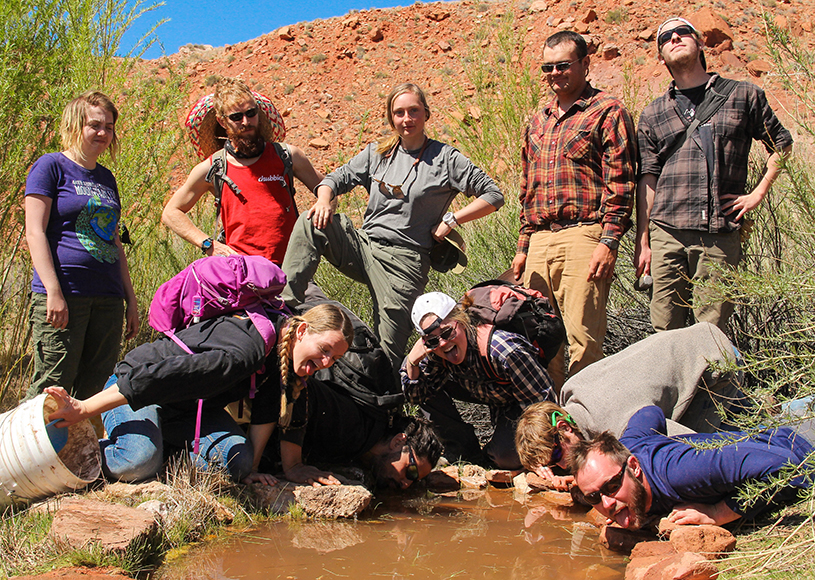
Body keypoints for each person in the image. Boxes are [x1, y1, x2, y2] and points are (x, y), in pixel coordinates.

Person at [281, 82, 504, 369]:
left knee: (388, 355)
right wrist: (324, 198)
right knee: (313, 221)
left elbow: (493, 195)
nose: (407, 118)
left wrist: (452, 219)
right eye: (399, 113)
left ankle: (384, 399)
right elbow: (336, 179)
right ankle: (284, 308)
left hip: (405, 262)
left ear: (426, 113)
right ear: (391, 118)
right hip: (364, 247)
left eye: (413, 111)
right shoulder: (378, 153)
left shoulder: (446, 159)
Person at [44, 303, 353, 485]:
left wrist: (253, 470)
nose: (325, 363)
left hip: (188, 412)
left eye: (334, 359)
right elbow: (158, 377)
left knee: (238, 464)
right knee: (136, 461)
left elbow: (267, 410)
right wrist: (84, 409)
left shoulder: (281, 355)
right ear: (301, 332)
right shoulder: (244, 352)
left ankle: (157, 449)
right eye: (324, 350)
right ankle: (77, 459)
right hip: (140, 385)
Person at [634, 17, 793, 332]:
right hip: (667, 231)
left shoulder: (743, 95)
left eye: (683, 33)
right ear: (660, 56)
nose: (675, 39)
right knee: (665, 332)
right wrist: (643, 240)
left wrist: (758, 193)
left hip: (719, 232)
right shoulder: (653, 112)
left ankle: (712, 384)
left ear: (700, 42)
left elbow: (782, 145)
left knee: (712, 334)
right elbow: (648, 178)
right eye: (666, 37)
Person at [512, 31, 637, 389]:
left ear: (585, 64)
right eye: (547, 67)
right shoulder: (536, 122)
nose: (555, 74)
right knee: (541, 339)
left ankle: (585, 426)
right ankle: (552, 426)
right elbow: (527, 188)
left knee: (584, 337)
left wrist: (609, 241)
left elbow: (622, 182)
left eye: (563, 65)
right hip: (539, 240)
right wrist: (523, 248)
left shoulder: (607, 111)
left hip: (585, 234)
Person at [514, 321, 747, 484]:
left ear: (564, 427)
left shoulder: (621, 426)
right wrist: (546, 459)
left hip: (718, 362)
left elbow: (694, 449)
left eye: (556, 457)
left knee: (685, 461)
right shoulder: (569, 395)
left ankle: (770, 424)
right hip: (696, 340)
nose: (562, 466)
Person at [24, 91, 139, 402]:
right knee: (52, 386)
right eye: (95, 125)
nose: (103, 133)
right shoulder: (51, 167)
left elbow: (115, 241)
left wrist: (130, 298)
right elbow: (34, 232)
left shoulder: (106, 178)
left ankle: (79, 452)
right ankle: (24, 451)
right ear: (75, 125)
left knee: (92, 390)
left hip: (107, 298)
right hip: (66, 294)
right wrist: (53, 290)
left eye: (109, 127)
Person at [162, 77, 324, 265]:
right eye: (236, 117)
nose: (246, 121)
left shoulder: (288, 155)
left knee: (320, 297)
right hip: (242, 275)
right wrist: (208, 244)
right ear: (222, 122)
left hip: (293, 269)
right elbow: (171, 212)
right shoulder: (214, 167)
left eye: (251, 113)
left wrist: (324, 204)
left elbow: (327, 187)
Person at [570, 406, 813, 529]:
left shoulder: (681, 473)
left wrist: (717, 513)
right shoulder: (630, 448)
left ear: (634, 466)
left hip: (803, 443)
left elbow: (788, 466)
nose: (607, 503)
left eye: (611, 486)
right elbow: (649, 412)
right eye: (594, 497)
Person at [401, 292, 556, 469]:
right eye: (433, 340)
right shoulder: (435, 351)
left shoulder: (503, 350)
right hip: (489, 393)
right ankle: (464, 450)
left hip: (519, 403)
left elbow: (544, 403)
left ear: (462, 321)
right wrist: (412, 363)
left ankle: (497, 450)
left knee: (507, 457)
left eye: (447, 332)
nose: (443, 343)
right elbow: (416, 396)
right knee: (423, 382)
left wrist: (541, 451)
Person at [270, 377, 443, 489]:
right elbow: (300, 388)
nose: (406, 484)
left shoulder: (367, 446)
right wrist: (293, 465)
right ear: (398, 441)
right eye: (411, 472)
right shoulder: (352, 422)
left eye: (414, 481)